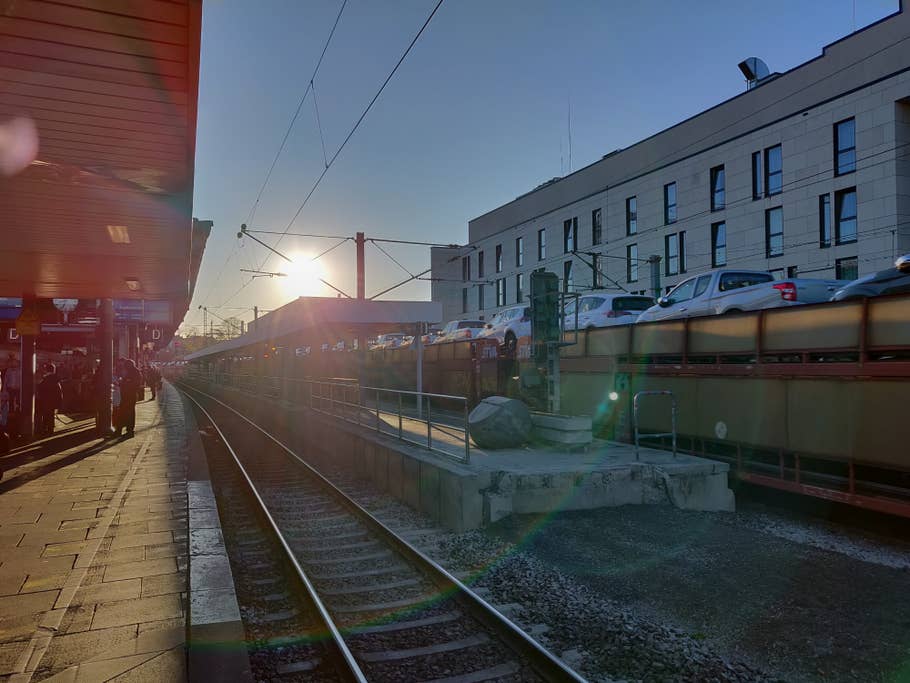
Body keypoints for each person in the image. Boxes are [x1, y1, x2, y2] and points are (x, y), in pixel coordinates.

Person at [35, 363, 63, 436]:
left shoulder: (45, 379)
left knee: (45, 415)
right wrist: (59, 402)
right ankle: (50, 430)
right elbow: (59, 392)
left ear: (46, 370)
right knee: (50, 415)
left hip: (45, 401)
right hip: (53, 401)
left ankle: (45, 429)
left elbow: (40, 390)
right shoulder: (56, 380)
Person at [116, 358, 141, 438]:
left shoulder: (135, 372)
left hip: (130, 395)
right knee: (124, 412)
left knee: (129, 413)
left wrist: (125, 382)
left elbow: (134, 384)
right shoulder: (130, 372)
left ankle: (129, 431)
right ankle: (121, 430)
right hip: (126, 395)